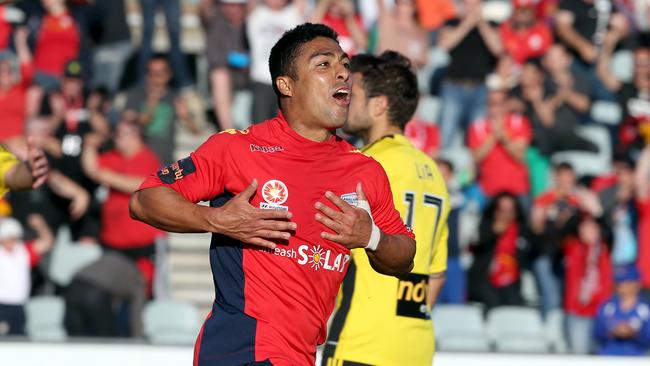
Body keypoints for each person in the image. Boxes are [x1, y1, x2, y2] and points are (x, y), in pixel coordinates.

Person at [129, 23, 416, 366]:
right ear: (286, 84)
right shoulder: (238, 148)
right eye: (324, 64)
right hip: (239, 348)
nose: (342, 72)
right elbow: (145, 198)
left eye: (344, 64)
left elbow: (405, 256)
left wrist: (370, 236)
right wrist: (216, 220)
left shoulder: (365, 171)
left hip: (300, 355)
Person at [322, 51, 450, 366]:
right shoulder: (432, 171)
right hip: (415, 347)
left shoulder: (364, 164)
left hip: (361, 343)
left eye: (356, 93)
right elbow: (437, 274)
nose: (346, 99)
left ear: (379, 106)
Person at [82, 121, 162, 295]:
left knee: (140, 291)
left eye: (122, 133)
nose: (117, 137)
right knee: (111, 290)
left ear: (136, 136)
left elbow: (142, 184)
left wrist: (110, 178)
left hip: (141, 244)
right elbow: (92, 170)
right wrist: (89, 146)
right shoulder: (113, 157)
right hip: (113, 241)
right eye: (116, 133)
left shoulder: (148, 158)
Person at [437, 0, 502, 150]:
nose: (472, 8)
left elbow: (498, 49)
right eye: (468, 4)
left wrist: (481, 24)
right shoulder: (452, 23)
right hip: (454, 86)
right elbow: (444, 45)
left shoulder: (491, 25)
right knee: (445, 134)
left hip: (480, 88)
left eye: (476, 4)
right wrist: (467, 24)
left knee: (477, 137)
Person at [122, 55, 199, 165]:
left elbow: (195, 131)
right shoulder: (136, 95)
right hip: (138, 161)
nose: (156, 77)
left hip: (164, 162)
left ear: (169, 75)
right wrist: (152, 102)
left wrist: (185, 116)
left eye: (160, 72)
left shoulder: (174, 97)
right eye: (152, 72)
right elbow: (131, 122)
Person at [467, 89, 532, 204]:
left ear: (507, 104)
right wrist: (493, 137)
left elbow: (520, 157)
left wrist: (504, 138)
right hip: (488, 190)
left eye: (500, 103)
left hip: (517, 189)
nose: (496, 107)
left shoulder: (519, 122)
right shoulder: (477, 127)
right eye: (492, 103)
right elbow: (476, 158)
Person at [247, 0, 306, 123]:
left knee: (286, 125)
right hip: (261, 80)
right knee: (260, 125)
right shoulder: (256, 13)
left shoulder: (294, 14)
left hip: (287, 80)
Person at [468, 192, 528, 311]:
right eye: (501, 210)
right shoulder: (484, 226)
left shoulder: (521, 231)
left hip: (512, 281)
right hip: (486, 282)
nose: (505, 215)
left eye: (510, 211)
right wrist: (492, 233)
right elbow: (475, 245)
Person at [563, 213, 613, 354]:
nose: (588, 230)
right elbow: (564, 231)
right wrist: (579, 209)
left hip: (600, 311)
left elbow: (610, 232)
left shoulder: (605, 248)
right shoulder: (573, 247)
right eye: (584, 226)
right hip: (577, 311)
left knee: (601, 354)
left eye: (592, 226)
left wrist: (598, 212)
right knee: (579, 355)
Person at [200, 0, 250, 131]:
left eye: (237, 5)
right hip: (225, 84)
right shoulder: (215, 20)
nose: (233, 9)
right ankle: (227, 132)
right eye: (228, 5)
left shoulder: (254, 20)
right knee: (219, 75)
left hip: (252, 82)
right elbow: (204, 7)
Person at [0, 214, 53, 335]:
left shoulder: (23, 251)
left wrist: (41, 226)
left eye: (14, 238)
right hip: (1, 304)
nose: (11, 242)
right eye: (7, 238)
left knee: (18, 338)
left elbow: (47, 242)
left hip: (19, 306)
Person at [594, 265, 650, 355]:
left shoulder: (645, 309)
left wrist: (634, 333)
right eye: (619, 283)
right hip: (609, 355)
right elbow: (597, 334)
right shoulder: (607, 307)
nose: (622, 287)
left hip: (638, 356)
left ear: (637, 284)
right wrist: (612, 332)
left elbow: (647, 338)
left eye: (626, 283)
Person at [499, 0, 552, 64]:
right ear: (513, 13)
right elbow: (498, 52)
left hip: (536, 70)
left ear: (533, 12)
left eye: (526, 10)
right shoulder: (504, 29)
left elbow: (548, 56)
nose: (523, 15)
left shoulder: (543, 31)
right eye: (520, 10)